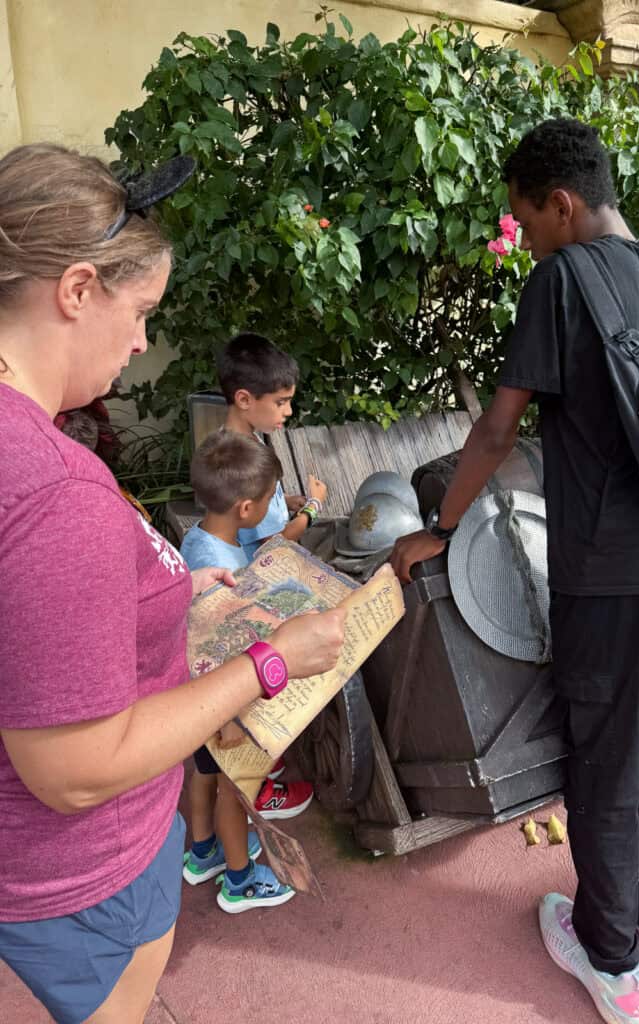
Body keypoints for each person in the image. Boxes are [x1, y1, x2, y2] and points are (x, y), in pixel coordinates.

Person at [0, 143, 346, 1024]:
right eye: (141, 309)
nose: (145, 339)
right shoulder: (51, 491)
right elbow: (75, 769)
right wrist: (270, 661)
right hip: (84, 873)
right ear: (76, 291)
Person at [391, 119, 639, 1024]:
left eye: (525, 218)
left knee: (604, 763)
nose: (525, 235)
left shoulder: (561, 280)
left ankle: (610, 959)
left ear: (561, 204)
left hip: (611, 575)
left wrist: (439, 525)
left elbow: (499, 428)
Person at [180, 430, 313, 911]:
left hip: (195, 701)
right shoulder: (220, 562)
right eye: (268, 500)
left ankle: (202, 853)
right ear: (246, 509)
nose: (270, 509)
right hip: (222, 705)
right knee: (236, 794)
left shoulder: (199, 541)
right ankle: (239, 881)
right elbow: (214, 648)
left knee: (203, 776)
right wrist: (230, 717)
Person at [216, 332, 327, 559]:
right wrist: (313, 507)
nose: (288, 411)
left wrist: (283, 501)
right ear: (244, 400)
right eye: (280, 402)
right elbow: (271, 546)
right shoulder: (246, 463)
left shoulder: (234, 442)